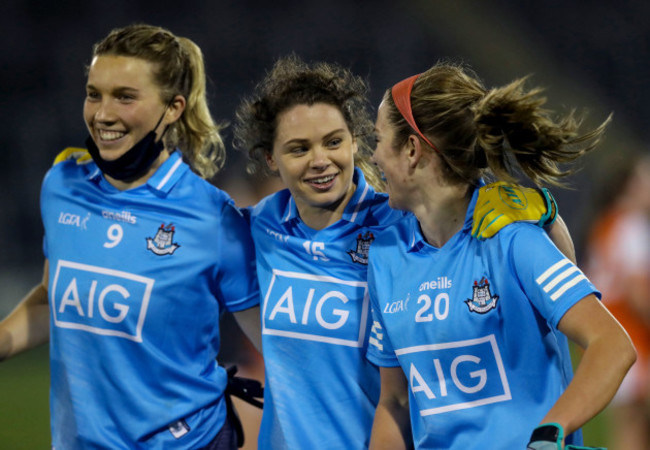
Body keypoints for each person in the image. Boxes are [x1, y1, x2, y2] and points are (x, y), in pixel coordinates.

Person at [232, 55, 576, 449]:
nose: (320, 161)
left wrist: (547, 216)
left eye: (333, 141)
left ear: (356, 142)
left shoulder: (402, 221)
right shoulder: (256, 229)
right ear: (271, 158)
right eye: (298, 148)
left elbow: (558, 272)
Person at [0, 24, 261, 449]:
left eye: (125, 96)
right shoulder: (62, 186)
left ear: (173, 107)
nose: (103, 113)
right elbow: (53, 299)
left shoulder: (213, 218)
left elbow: (277, 346)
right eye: (94, 93)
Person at [366, 62, 636, 449]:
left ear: (411, 150)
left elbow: (613, 345)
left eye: (378, 140)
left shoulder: (510, 238)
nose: (374, 157)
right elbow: (394, 401)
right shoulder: (386, 258)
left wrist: (550, 431)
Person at [584, 155, 650, 450]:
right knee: (633, 425)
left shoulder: (608, 221)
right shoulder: (631, 225)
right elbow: (638, 292)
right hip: (630, 332)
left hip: (608, 330)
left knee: (629, 423)